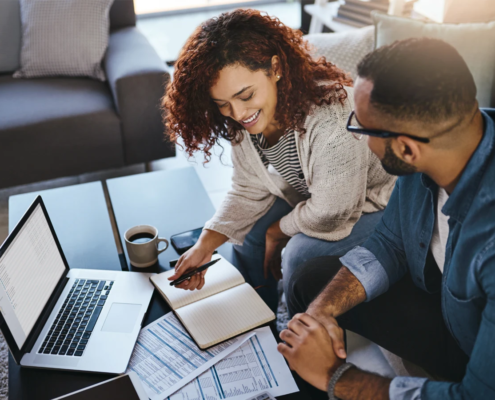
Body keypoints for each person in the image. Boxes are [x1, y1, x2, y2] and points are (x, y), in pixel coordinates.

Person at [279, 37, 495, 399]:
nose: (360, 140)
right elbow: (391, 243)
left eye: (361, 128)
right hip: (442, 299)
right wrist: (324, 310)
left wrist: (336, 377)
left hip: (474, 350)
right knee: (310, 281)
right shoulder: (442, 144)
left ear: (406, 148)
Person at [162, 9, 395, 311]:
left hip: (384, 204)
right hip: (325, 196)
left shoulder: (332, 120)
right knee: (247, 237)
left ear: (275, 68)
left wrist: (279, 230)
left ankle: (293, 324)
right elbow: (247, 189)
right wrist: (203, 246)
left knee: (298, 253)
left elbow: (330, 212)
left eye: (245, 95)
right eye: (223, 104)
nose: (238, 113)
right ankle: (258, 310)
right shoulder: (245, 123)